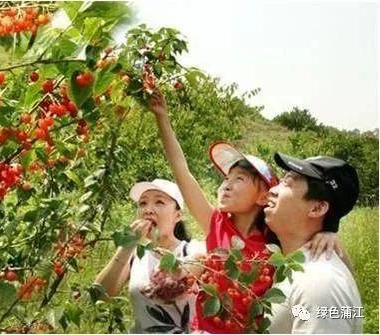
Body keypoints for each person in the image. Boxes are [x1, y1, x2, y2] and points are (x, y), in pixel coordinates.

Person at [148, 92, 346, 332]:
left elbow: (319, 272)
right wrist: (162, 119)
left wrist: (329, 233)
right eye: (226, 178)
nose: (226, 185)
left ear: (264, 196)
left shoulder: (276, 240)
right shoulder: (216, 223)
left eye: (239, 179)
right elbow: (181, 170)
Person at [264, 153, 363, 333]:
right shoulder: (295, 266)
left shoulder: (320, 284)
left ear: (317, 208)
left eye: (288, 183)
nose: (273, 189)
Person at [95, 179, 206, 333]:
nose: (148, 210)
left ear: (178, 215)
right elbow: (100, 295)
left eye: (159, 202)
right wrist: (126, 246)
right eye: (143, 204)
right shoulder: (135, 255)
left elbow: (172, 284)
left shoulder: (193, 249)